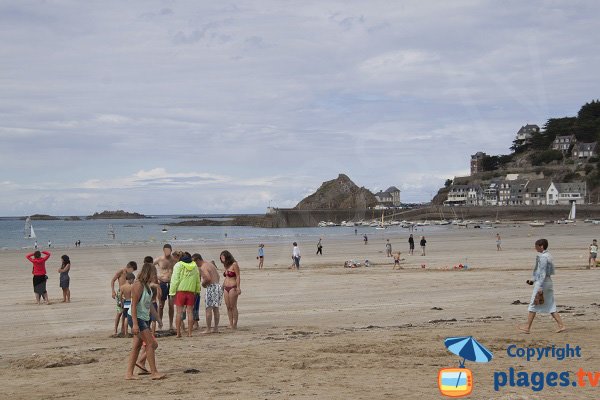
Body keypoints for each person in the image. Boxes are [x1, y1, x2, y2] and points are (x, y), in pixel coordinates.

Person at [125, 263, 164, 380]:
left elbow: (150, 305)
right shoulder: (138, 285)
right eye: (154, 273)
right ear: (148, 273)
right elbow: (133, 305)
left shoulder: (146, 285)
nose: (155, 275)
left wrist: (157, 318)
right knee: (151, 344)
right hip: (137, 318)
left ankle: (129, 374)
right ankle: (154, 372)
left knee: (137, 347)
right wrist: (135, 324)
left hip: (144, 318)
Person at [518, 239, 565, 334]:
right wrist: (533, 280)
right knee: (550, 304)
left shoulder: (543, 257)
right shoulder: (549, 255)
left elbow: (542, 273)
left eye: (536, 246)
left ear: (541, 246)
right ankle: (561, 325)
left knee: (533, 303)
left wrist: (540, 287)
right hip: (548, 282)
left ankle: (527, 327)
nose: (535, 248)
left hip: (542, 283)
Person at [169, 251, 200, 338]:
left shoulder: (178, 265)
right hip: (191, 292)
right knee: (190, 312)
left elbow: (175, 280)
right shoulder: (194, 266)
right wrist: (197, 290)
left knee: (179, 313)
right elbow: (197, 279)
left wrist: (172, 292)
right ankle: (190, 333)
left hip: (180, 291)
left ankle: (178, 333)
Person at [194, 253, 222, 333]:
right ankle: (216, 328)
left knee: (208, 309)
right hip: (217, 286)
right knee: (216, 309)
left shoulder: (203, 267)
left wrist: (203, 284)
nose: (195, 265)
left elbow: (208, 278)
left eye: (195, 263)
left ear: (198, 260)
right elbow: (218, 276)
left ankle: (208, 329)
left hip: (211, 287)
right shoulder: (210, 264)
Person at [153, 244, 177, 331]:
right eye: (165, 250)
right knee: (161, 305)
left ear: (171, 250)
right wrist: (156, 277)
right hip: (162, 283)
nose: (167, 252)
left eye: (168, 250)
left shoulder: (175, 260)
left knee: (171, 305)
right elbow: (149, 267)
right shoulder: (159, 259)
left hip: (172, 283)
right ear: (163, 250)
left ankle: (171, 324)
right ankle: (160, 324)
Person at [111, 261, 138, 336]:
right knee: (119, 312)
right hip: (120, 293)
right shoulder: (121, 271)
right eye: (133, 270)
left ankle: (123, 330)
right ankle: (115, 330)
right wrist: (113, 291)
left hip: (127, 294)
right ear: (130, 268)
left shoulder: (130, 276)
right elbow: (113, 280)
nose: (133, 272)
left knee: (125, 313)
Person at [220, 250, 241, 329]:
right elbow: (227, 277)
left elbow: (238, 276)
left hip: (233, 287)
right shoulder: (226, 265)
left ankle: (235, 324)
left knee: (233, 306)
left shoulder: (234, 264)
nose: (222, 258)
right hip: (226, 287)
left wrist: (238, 287)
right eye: (221, 257)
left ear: (227, 256)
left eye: (223, 257)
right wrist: (222, 286)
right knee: (228, 306)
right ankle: (231, 323)